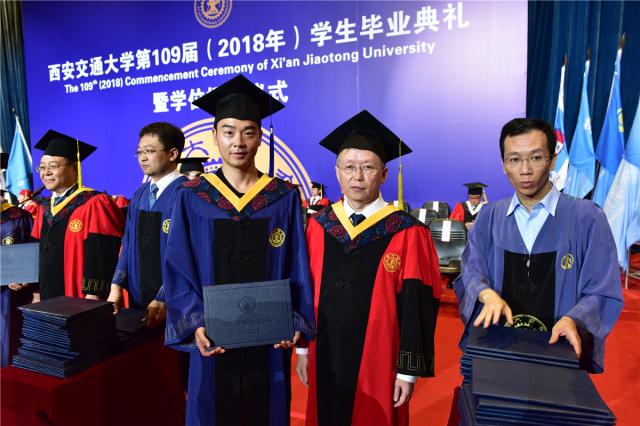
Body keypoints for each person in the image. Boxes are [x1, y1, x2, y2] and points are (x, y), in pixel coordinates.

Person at [163, 74, 315, 426]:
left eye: (248, 132)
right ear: (214, 135)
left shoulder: (282, 197)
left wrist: (295, 318)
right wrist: (195, 322)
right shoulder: (193, 196)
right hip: (213, 335)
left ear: (260, 137)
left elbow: (297, 263)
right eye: (229, 132)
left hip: (268, 338)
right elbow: (178, 264)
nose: (238, 142)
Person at [298, 110, 441, 426]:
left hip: (380, 360)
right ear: (337, 173)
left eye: (368, 167)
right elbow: (304, 289)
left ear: (385, 174)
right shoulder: (318, 226)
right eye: (349, 167)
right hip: (324, 351)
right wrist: (303, 351)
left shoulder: (407, 232)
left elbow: (418, 304)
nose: (357, 177)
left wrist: (407, 371)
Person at [453, 118, 623, 373]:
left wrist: (574, 319)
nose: (525, 170)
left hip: (558, 356)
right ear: (503, 164)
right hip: (497, 350)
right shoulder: (489, 217)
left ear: (552, 160)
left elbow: (602, 289)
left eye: (535, 157)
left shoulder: (586, 218)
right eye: (514, 159)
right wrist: (485, 294)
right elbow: (470, 271)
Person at [18, 130, 124, 301]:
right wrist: (29, 285)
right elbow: (35, 251)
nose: (46, 172)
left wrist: (94, 294)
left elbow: (102, 253)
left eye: (53, 166)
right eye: (42, 167)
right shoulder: (46, 208)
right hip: (46, 298)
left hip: (80, 300)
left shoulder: (95, 203)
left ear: (74, 168)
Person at [108, 122, 187, 328]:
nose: (143, 158)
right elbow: (128, 243)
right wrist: (116, 285)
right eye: (140, 152)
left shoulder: (188, 193)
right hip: (138, 301)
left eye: (150, 151)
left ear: (172, 154)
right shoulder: (140, 193)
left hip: (176, 303)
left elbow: (188, 254)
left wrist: (163, 296)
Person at [1, 187, 34, 367]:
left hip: (8, 296)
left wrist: (26, 279)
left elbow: (30, 256)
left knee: (8, 343)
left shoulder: (18, 217)